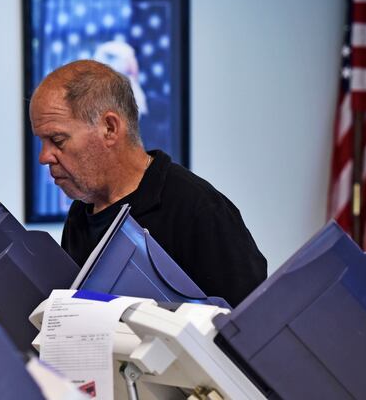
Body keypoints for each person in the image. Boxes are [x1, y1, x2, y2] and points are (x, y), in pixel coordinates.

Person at [29, 59, 267, 306]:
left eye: (57, 140)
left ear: (110, 128)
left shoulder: (198, 208)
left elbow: (251, 325)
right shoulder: (81, 213)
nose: (44, 157)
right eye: (42, 142)